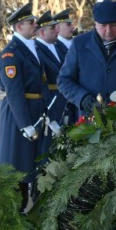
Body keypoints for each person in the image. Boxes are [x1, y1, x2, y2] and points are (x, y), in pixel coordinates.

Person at [0, 3, 44, 212]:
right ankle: (16, 211)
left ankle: (28, 208)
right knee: (17, 165)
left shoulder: (30, 48)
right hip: (19, 114)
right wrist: (24, 124)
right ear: (18, 27)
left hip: (33, 110)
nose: (35, 24)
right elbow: (14, 90)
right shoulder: (11, 54)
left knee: (31, 163)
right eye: (30, 22)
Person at [34, 11, 67, 157]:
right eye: (52, 28)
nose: (57, 30)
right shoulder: (36, 49)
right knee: (49, 147)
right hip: (51, 101)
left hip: (64, 98)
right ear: (41, 33)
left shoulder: (58, 46)